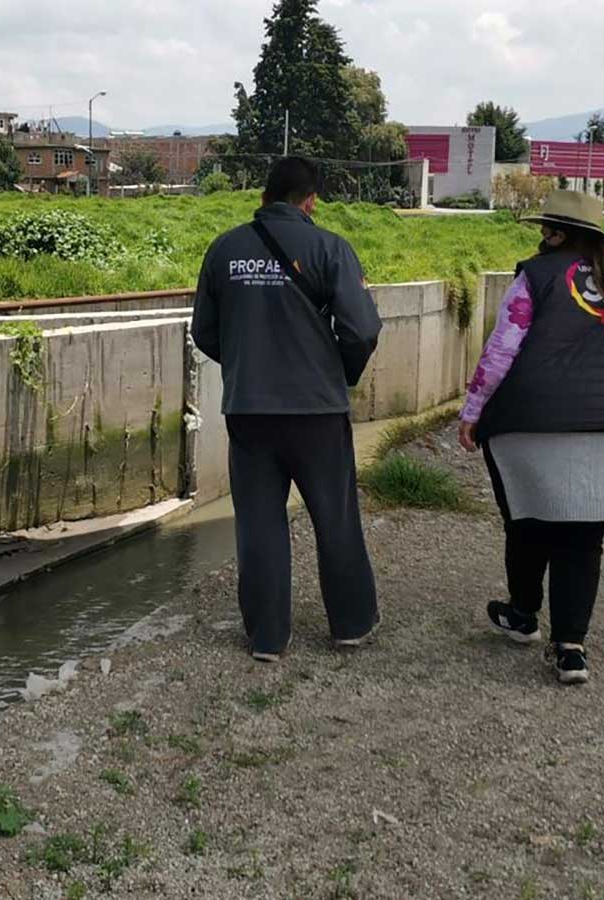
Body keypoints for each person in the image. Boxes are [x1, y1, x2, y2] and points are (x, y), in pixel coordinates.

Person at [458, 190, 604, 685]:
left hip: (532, 420)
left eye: (545, 229)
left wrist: (472, 411)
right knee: (583, 539)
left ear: (557, 235)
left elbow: (502, 350)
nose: (541, 238)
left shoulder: (535, 277)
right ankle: (571, 648)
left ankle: (522, 614)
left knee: (527, 517)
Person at [191, 156, 382, 663]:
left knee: (258, 523)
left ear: (263, 196)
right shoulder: (330, 248)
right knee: (335, 518)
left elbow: (203, 330)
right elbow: (362, 328)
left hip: (249, 410)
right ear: (311, 200)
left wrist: (247, 365)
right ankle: (351, 625)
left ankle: (267, 638)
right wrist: (339, 372)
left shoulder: (225, 249)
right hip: (317, 411)